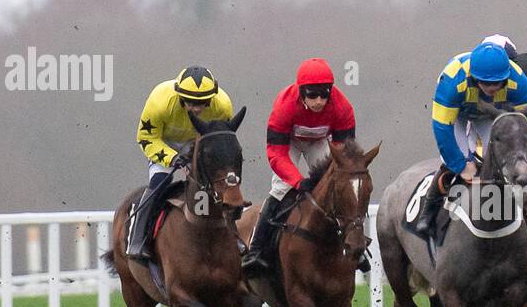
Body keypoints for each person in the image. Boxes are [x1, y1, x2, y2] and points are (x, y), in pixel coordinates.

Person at [241, 57, 363, 277]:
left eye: (324, 94)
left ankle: (354, 246)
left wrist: (326, 177)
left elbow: (345, 153)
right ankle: (256, 250)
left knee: (338, 184)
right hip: (290, 143)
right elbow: (276, 153)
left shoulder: (343, 107)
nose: (318, 101)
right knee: (280, 189)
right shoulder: (284, 106)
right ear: (301, 92)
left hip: (321, 141)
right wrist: (298, 181)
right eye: (312, 95)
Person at [410, 41, 527, 237]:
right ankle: (429, 209)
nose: (492, 88)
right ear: (475, 78)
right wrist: (460, 165)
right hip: (457, 114)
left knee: (503, 158)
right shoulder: (452, 81)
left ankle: (526, 211)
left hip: (492, 116)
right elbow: (443, 130)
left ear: (507, 77)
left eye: (497, 82)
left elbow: (524, 127)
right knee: (458, 161)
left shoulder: (519, 81)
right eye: (486, 82)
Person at [127, 66, 235, 261]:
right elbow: (146, 137)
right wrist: (173, 158)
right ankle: (138, 237)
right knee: (159, 182)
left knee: (217, 186)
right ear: (179, 96)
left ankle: (233, 236)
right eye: (191, 102)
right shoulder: (160, 102)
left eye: (203, 102)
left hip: (198, 144)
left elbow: (220, 140)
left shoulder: (223, 106)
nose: (197, 108)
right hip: (164, 142)